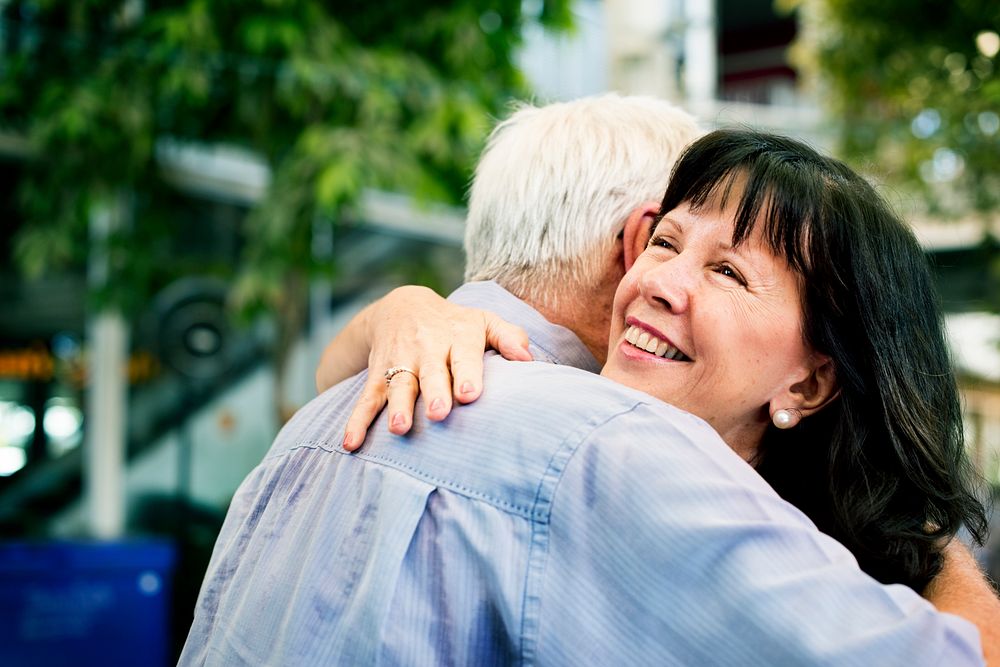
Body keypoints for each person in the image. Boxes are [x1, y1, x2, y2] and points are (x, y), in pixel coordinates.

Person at [182, 97, 997, 665]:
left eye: (728, 271)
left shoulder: (324, 415)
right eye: (670, 242)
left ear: (814, 382)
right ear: (635, 237)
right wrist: (928, 545)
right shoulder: (608, 449)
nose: (667, 280)